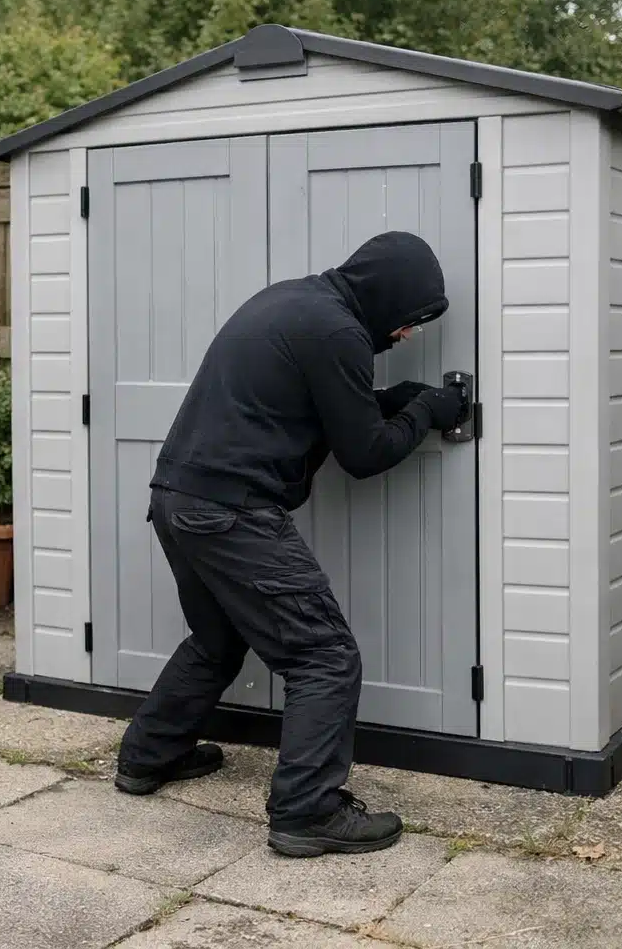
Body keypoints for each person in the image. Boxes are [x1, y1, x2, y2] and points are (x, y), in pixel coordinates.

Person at [113, 230, 467, 859]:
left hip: (178, 497)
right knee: (324, 656)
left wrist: (398, 399)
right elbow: (364, 453)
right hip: (232, 512)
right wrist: (429, 413)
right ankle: (308, 810)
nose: (409, 335)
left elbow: (313, 408)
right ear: (387, 296)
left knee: (217, 641)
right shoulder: (338, 333)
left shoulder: (295, 302)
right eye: (412, 320)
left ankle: (147, 757)